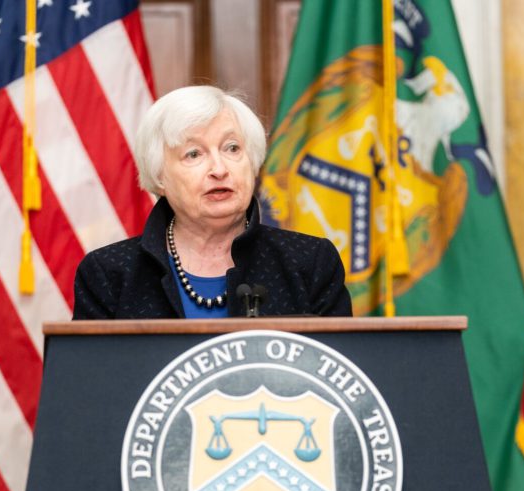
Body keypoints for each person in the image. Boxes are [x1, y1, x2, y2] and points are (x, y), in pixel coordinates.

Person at [72, 85, 352, 319]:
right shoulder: (109, 273)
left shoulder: (310, 262)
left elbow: (338, 366)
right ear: (159, 176)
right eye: (194, 154)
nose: (219, 169)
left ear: (253, 161)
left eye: (232, 148)